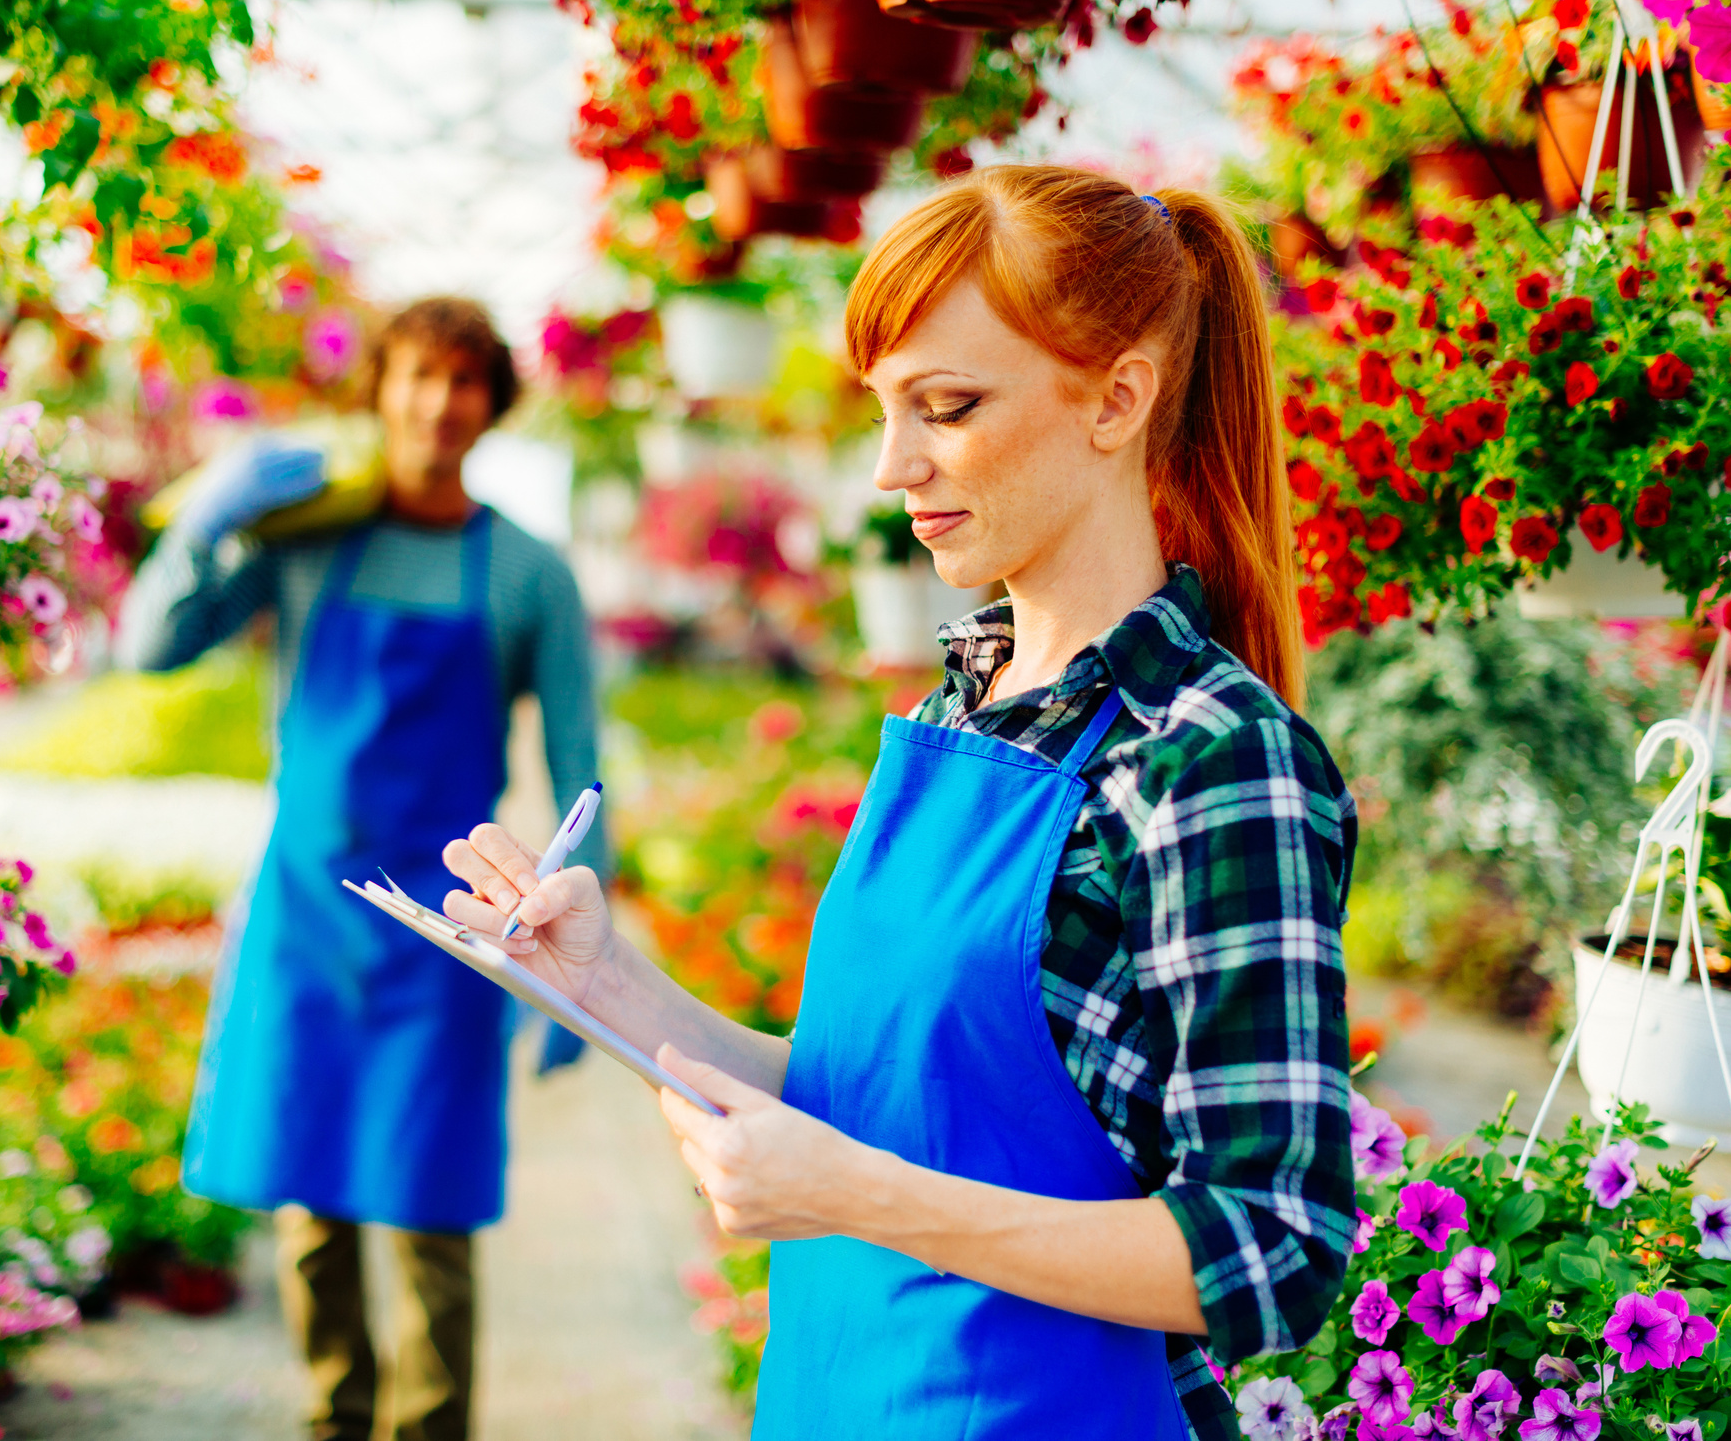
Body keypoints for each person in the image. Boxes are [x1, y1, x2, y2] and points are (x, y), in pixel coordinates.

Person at [437, 167, 1357, 1439]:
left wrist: (860, 1194)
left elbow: (1272, 1251)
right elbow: (860, 1100)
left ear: (1118, 398)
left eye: (949, 406)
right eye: (885, 411)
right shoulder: (953, 715)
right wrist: (607, 985)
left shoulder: (1214, 760)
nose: (892, 465)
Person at [117, 297, 606, 1441]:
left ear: (493, 403)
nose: (441, 404)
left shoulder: (528, 571)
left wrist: (592, 962)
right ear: (380, 389)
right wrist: (205, 526)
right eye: (419, 377)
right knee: (310, 1198)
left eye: (467, 381)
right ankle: (329, 1417)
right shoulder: (303, 538)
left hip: (444, 929)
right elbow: (151, 652)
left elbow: (586, 772)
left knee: (432, 1207)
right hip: (305, 912)